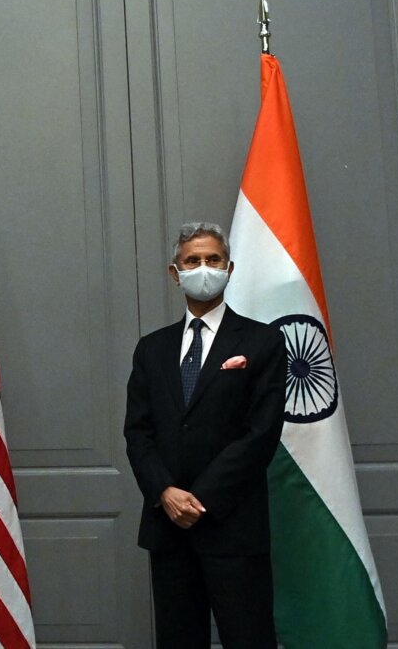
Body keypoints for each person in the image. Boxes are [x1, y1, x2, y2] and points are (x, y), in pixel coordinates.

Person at [124, 221, 286, 649]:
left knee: (248, 638)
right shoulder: (151, 348)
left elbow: (261, 433)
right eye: (192, 261)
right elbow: (138, 432)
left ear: (229, 268)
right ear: (175, 273)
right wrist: (165, 492)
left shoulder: (262, 341)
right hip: (168, 526)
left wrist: (203, 499)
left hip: (233, 524)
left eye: (212, 259)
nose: (203, 268)